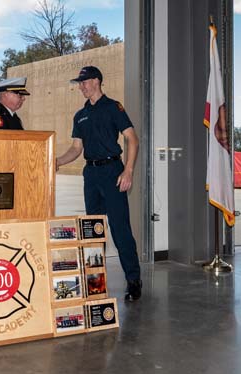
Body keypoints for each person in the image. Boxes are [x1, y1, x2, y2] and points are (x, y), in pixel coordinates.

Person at [55, 66, 142, 301]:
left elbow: (132, 139)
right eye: (79, 83)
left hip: (113, 172)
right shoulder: (80, 115)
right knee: (93, 230)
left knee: (120, 229)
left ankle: (133, 280)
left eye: (84, 82)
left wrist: (128, 171)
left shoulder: (114, 108)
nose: (81, 86)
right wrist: (56, 162)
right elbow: (76, 149)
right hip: (91, 175)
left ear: (96, 81)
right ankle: (95, 282)